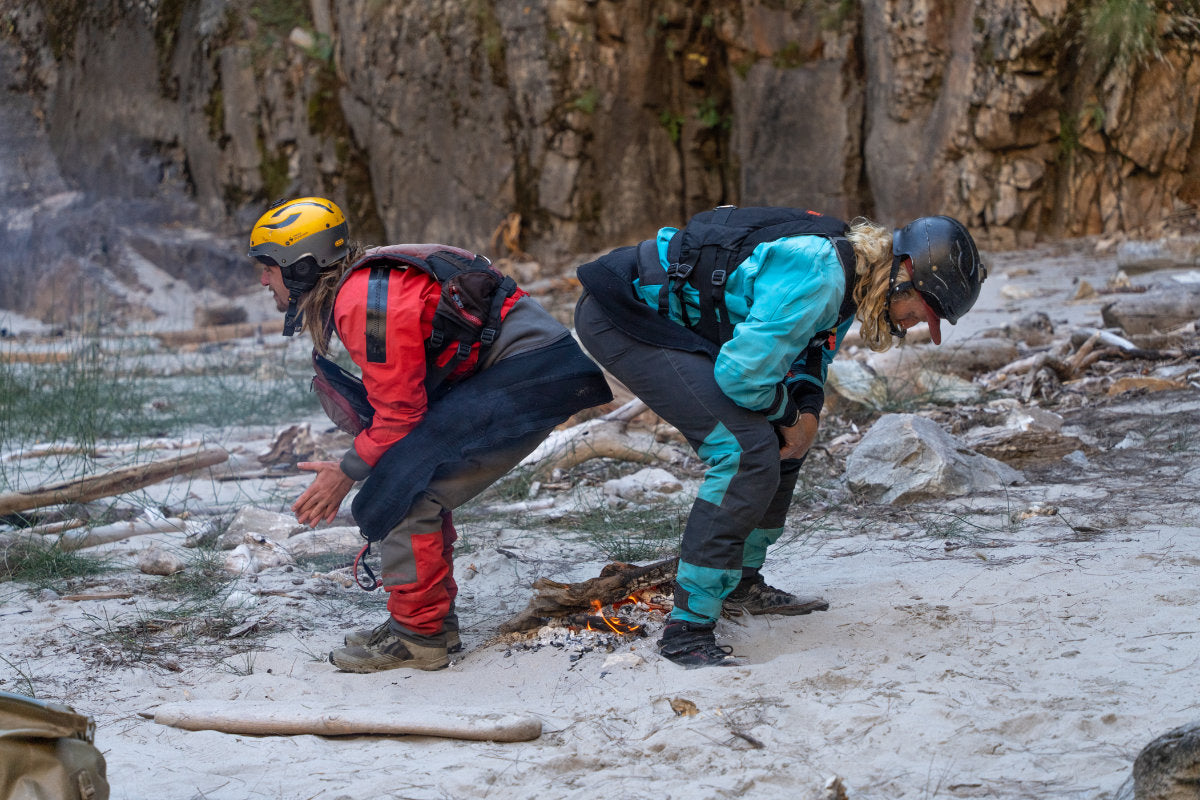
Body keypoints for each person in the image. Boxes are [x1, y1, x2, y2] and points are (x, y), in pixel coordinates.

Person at [574, 206, 986, 668]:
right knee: (744, 449)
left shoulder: (860, 278)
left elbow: (812, 355)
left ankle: (742, 584)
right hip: (625, 314)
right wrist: (786, 414)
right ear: (905, 276)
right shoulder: (823, 274)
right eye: (924, 313)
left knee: (786, 439)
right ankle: (687, 629)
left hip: (685, 322)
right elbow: (742, 376)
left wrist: (803, 415)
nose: (918, 327)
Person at [248, 196, 612, 673]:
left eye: (268, 268)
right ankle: (432, 624)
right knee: (410, 482)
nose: (262, 280)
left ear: (300, 268)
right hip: (526, 370)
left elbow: (400, 413)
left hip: (530, 376)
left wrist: (346, 472)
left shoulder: (363, 301)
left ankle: (419, 638)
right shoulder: (368, 281)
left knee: (404, 493)